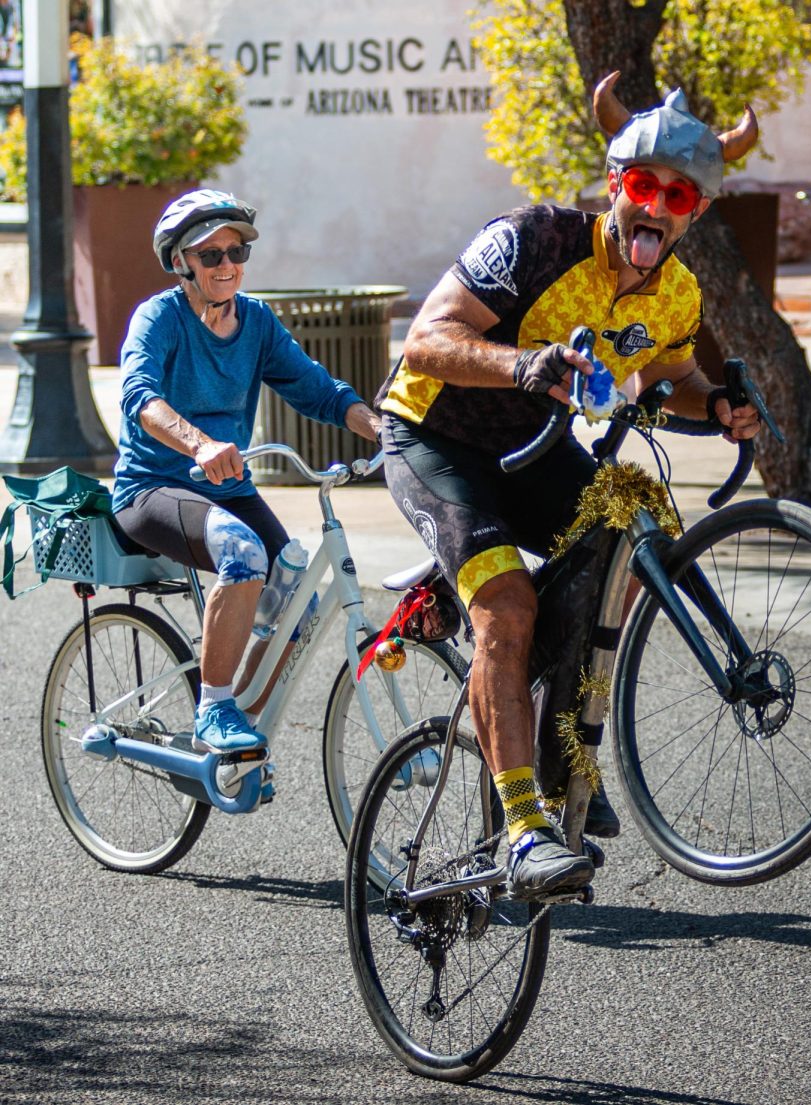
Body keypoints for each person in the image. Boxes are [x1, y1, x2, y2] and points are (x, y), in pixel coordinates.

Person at [376, 73, 763, 900]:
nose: (657, 205)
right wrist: (524, 362)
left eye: (681, 195)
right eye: (642, 184)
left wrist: (720, 404)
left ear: (695, 210)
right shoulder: (535, 239)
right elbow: (425, 341)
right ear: (616, 183)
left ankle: (560, 748)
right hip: (434, 437)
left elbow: (672, 375)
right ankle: (522, 832)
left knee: (627, 525)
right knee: (508, 608)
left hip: (530, 445)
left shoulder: (677, 292)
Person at [112, 189, 381, 758]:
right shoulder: (159, 318)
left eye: (237, 253)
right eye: (211, 256)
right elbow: (140, 396)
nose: (228, 266)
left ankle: (235, 734)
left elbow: (317, 389)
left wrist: (381, 429)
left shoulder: (255, 320)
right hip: (153, 487)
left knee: (298, 606)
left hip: (228, 489)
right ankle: (214, 708)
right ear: (180, 262)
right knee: (244, 551)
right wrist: (200, 443)